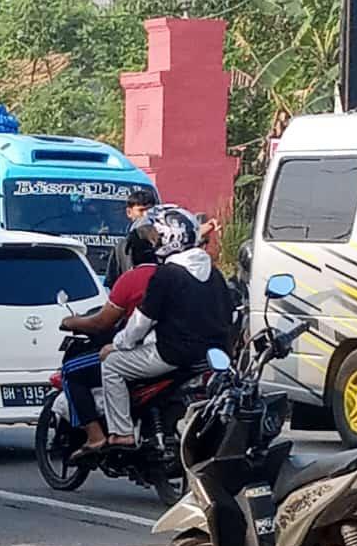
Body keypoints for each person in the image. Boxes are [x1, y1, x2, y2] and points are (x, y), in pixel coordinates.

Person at [98, 205, 234, 449]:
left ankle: (122, 432)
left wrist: (117, 345)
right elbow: (229, 314)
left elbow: (140, 323)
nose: (154, 241)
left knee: (111, 366)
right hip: (215, 355)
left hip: (174, 354)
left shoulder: (166, 275)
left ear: (170, 237)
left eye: (157, 235)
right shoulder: (214, 274)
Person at [59, 222, 159, 449]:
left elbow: (102, 322)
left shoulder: (132, 279)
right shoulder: (173, 275)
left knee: (71, 371)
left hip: (138, 350)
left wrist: (71, 322)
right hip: (168, 350)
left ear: (130, 252)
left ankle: (96, 436)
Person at [104, 187, 158, 289]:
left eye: (150, 211)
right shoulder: (122, 247)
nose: (146, 216)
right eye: (141, 211)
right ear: (129, 212)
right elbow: (114, 282)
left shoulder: (164, 243)